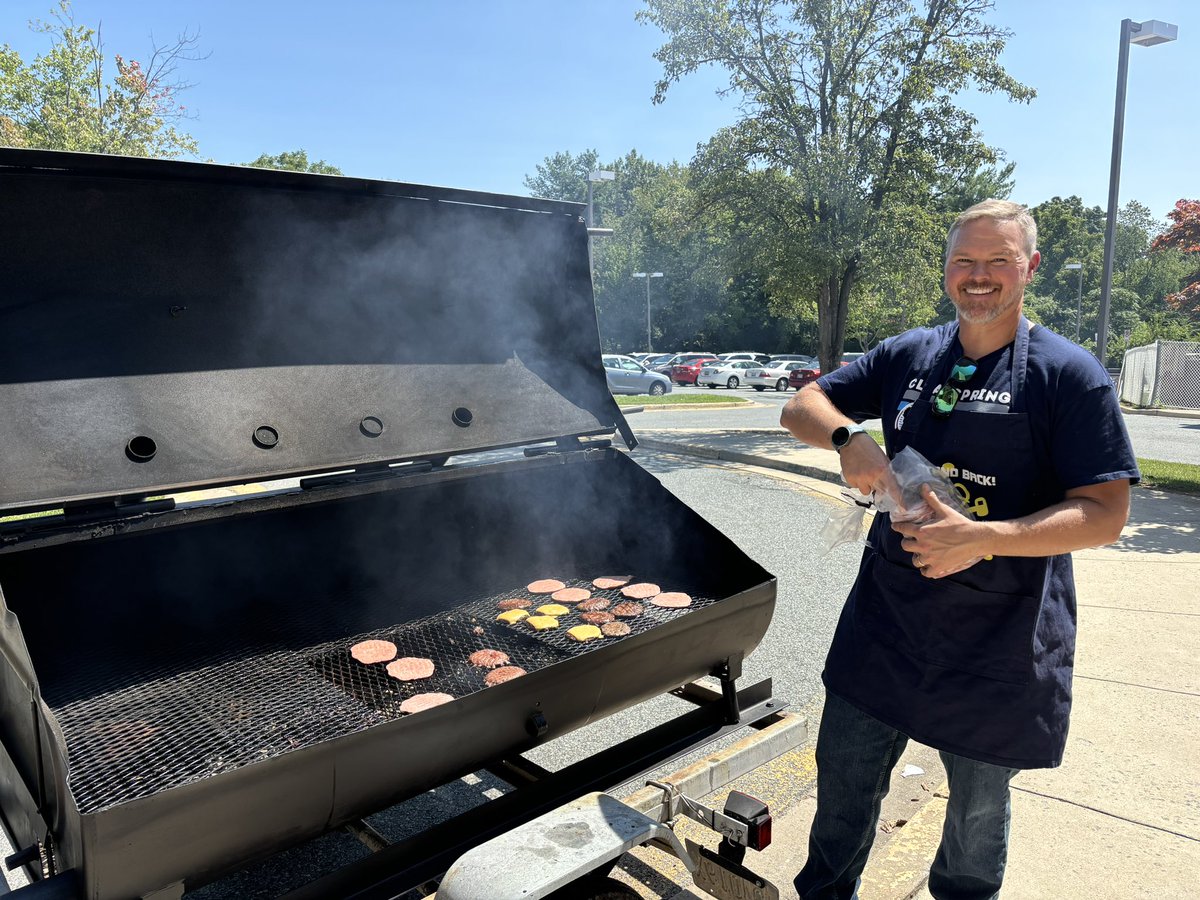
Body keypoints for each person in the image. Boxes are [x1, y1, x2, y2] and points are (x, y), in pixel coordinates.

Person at [780, 199, 1139, 900]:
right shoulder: (909, 355)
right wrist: (848, 438)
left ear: (1030, 267)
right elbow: (803, 405)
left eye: (998, 260)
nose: (979, 276)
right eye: (964, 260)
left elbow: (1105, 515)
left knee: (975, 829)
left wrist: (983, 539)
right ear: (945, 269)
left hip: (998, 639)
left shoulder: (1069, 375)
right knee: (842, 793)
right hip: (885, 625)